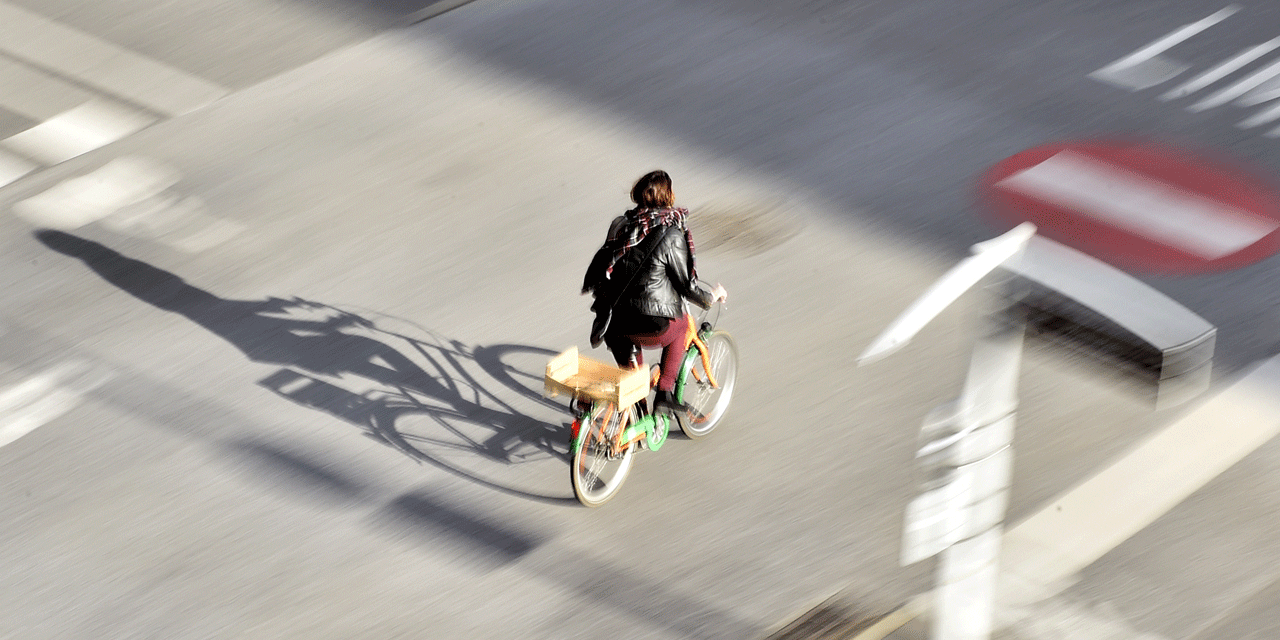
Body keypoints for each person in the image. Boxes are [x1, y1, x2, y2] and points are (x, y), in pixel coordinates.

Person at [582, 170, 727, 415]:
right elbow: (686, 287)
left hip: (613, 323)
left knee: (633, 376)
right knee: (682, 324)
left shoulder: (623, 225)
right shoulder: (672, 234)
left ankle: (637, 413)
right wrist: (712, 296)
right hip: (650, 324)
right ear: (668, 196)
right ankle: (664, 394)